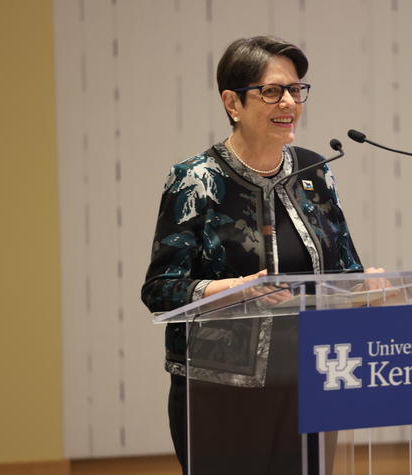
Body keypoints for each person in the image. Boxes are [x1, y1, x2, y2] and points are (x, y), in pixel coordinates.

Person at [141, 36, 377, 474]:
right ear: (232, 102)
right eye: (271, 91)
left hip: (311, 378)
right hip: (221, 388)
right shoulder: (197, 180)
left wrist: (369, 286)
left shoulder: (314, 170)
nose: (288, 101)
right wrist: (232, 291)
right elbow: (160, 290)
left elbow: (346, 270)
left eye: (295, 89)